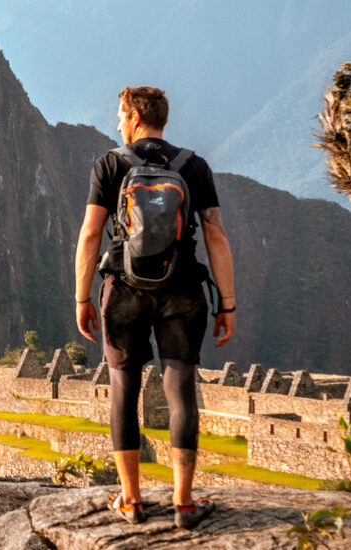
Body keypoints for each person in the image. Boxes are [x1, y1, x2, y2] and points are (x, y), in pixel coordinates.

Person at [73, 86, 237, 529]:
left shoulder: (111, 164)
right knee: (180, 388)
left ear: (135, 117)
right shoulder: (194, 167)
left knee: (124, 386)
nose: (117, 124)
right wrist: (228, 304)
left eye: (120, 116)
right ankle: (184, 503)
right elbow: (216, 236)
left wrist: (82, 296)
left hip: (123, 290)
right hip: (182, 290)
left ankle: (131, 500)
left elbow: (91, 234)